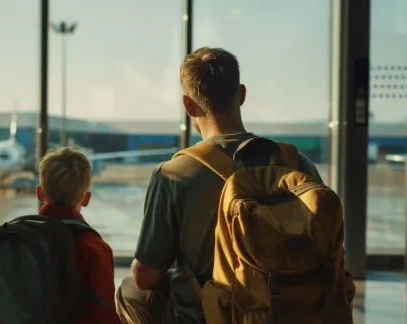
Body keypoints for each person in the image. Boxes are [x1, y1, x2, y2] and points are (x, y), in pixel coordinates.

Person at [115, 47, 325, 324]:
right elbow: (332, 247)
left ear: (189, 106)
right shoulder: (295, 163)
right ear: (241, 94)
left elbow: (146, 276)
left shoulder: (174, 174)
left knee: (129, 289)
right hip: (298, 314)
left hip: (211, 317)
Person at [35, 148, 121, 324]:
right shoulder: (95, 248)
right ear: (86, 199)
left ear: (40, 193)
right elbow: (103, 316)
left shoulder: (19, 238)